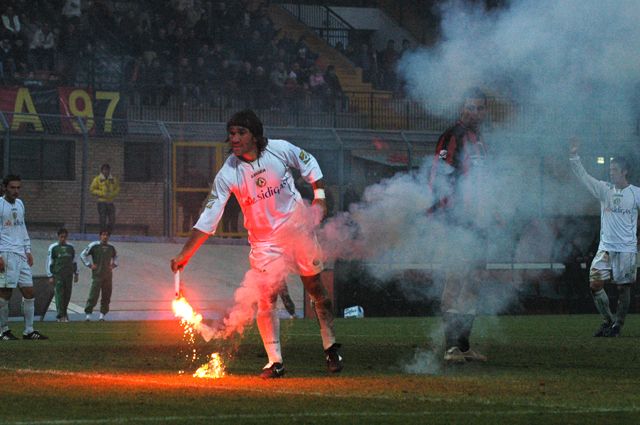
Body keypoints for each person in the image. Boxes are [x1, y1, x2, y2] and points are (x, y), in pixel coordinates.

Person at [171, 109, 342, 378]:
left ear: (255, 135)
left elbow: (310, 164)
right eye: (231, 134)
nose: (234, 138)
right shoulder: (228, 172)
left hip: (298, 228)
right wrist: (185, 254)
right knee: (266, 299)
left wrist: (319, 196)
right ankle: (275, 362)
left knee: (314, 287)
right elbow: (209, 217)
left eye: (241, 133)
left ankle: (331, 346)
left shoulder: (280, 149)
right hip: (264, 243)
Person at [429, 88, 490, 363]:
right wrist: (445, 214)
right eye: (468, 107)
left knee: (474, 281)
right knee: (455, 279)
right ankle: (451, 346)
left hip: (478, 221)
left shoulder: (480, 141)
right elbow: (438, 176)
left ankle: (464, 345)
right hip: (456, 220)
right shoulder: (452, 136)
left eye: (477, 108)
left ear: (484, 112)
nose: (471, 112)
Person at [569, 139, 640, 337]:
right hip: (606, 248)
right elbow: (583, 177)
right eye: (610, 169)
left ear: (624, 172)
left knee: (623, 288)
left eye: (615, 169)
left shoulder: (636, 194)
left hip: (626, 249)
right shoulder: (605, 189)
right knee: (594, 285)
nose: (611, 172)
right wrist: (574, 156)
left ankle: (618, 325)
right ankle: (608, 320)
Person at [0, 175, 48, 340]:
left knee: (29, 292)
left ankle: (29, 330)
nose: (16, 191)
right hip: (6, 253)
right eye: (12, 187)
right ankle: (3, 331)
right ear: (4, 187)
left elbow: (22, 228)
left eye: (18, 188)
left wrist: (28, 250)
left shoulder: (20, 204)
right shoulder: (0, 205)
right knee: (5, 293)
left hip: (21, 254)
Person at [81, 231, 118, 321]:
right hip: (97, 275)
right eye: (103, 235)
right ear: (100, 236)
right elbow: (83, 255)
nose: (105, 237)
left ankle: (102, 315)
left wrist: (113, 265)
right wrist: (89, 265)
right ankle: (88, 314)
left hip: (108, 276)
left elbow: (116, 257)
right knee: (93, 295)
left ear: (109, 237)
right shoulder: (94, 246)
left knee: (106, 295)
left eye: (107, 235)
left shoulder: (111, 247)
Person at [46, 228, 79, 322]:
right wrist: (50, 275)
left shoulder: (71, 247)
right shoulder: (53, 247)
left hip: (69, 275)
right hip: (58, 275)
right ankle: (60, 316)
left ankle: (64, 313)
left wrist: (76, 273)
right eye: (61, 237)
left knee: (67, 295)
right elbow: (49, 262)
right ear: (58, 237)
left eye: (65, 237)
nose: (63, 239)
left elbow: (74, 261)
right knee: (60, 295)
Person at [90, 163, 120, 234]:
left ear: (109, 171)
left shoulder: (113, 179)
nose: (106, 171)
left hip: (110, 202)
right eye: (104, 170)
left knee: (112, 219)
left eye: (107, 170)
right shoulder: (97, 179)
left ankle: (109, 233)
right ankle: (103, 234)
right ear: (102, 171)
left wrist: (112, 194)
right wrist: (101, 193)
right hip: (102, 202)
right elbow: (92, 189)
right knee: (102, 219)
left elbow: (117, 188)